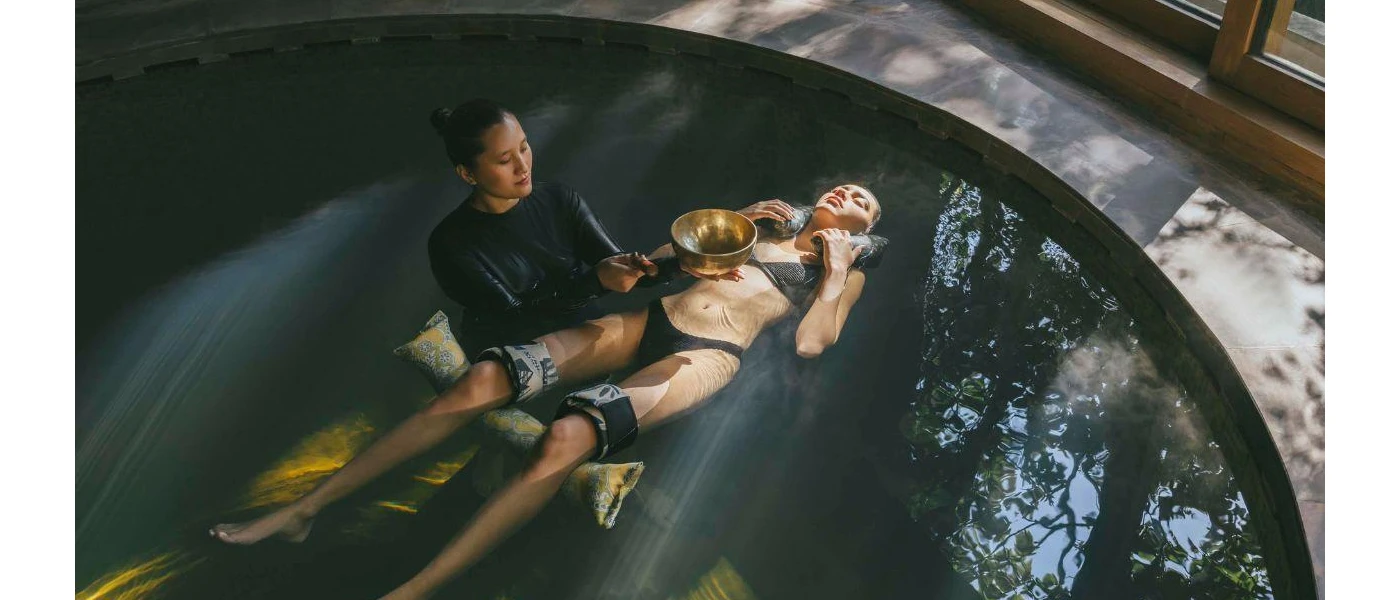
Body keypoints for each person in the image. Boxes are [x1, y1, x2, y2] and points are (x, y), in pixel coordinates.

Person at [210, 184, 884, 600]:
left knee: (565, 437)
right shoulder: (764, 222)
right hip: (650, 321)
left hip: (706, 359)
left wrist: (833, 274)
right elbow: (655, 266)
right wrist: (729, 218)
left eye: (863, 202)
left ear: (863, 230)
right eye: (845, 187)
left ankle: (414, 590)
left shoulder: (841, 272)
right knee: (484, 378)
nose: (848, 194)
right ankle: (303, 509)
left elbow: (812, 344)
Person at [424, 98, 658, 353]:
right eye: (504, 161)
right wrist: (596, 282)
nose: (523, 167)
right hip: (511, 357)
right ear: (467, 174)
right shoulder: (451, 243)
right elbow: (516, 320)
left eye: (524, 148)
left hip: (586, 332)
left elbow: (617, 263)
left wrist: (681, 262)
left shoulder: (559, 199)